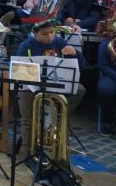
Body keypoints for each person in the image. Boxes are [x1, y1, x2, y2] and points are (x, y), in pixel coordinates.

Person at [15, 20, 87, 155]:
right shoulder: (25, 46)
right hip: (31, 86)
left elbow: (83, 66)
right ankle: (29, 153)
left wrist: (75, 54)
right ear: (34, 33)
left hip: (54, 83)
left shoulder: (59, 42)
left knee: (80, 89)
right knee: (28, 119)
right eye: (44, 34)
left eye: (52, 32)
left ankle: (57, 117)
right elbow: (18, 72)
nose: (49, 37)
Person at [97, 40, 116, 136]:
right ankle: (110, 122)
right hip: (111, 75)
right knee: (104, 89)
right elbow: (103, 66)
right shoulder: (105, 44)